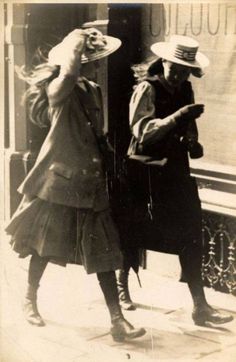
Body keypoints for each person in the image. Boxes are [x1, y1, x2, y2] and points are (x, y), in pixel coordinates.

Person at [5, 26, 146, 342]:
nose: (97, 63)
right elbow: (66, 78)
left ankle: (117, 321)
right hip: (60, 181)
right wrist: (75, 45)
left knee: (104, 251)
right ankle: (29, 298)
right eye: (91, 58)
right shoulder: (59, 87)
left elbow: (95, 133)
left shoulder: (93, 88)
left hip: (91, 182)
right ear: (78, 61)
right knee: (43, 245)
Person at [116, 35, 233, 326]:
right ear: (164, 62)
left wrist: (193, 143)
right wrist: (177, 118)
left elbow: (188, 128)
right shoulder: (147, 88)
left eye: (185, 69)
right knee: (133, 231)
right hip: (145, 172)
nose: (180, 74)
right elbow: (142, 132)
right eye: (175, 67)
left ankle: (199, 306)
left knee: (191, 233)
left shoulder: (185, 89)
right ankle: (121, 287)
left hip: (175, 172)